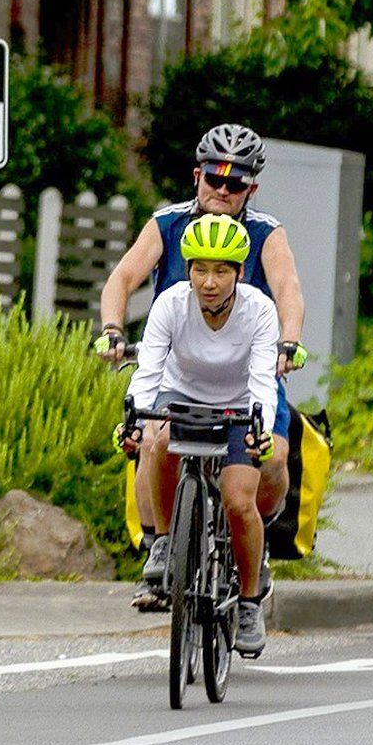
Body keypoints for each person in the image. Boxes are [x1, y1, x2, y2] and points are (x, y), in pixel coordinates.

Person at [97, 123, 306, 609]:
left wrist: (288, 341)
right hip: (181, 373)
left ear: (251, 188)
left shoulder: (265, 233)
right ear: (197, 176)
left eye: (236, 185)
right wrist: (112, 328)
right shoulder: (167, 223)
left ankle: (255, 539)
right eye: (215, 179)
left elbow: (289, 288)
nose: (223, 191)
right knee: (152, 439)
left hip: (248, 373)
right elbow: (123, 277)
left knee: (272, 457)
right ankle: (159, 549)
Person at [123, 214, 283, 657]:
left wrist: (260, 430)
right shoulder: (171, 304)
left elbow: (263, 383)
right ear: (187, 269)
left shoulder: (259, 311)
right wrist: (135, 417)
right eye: (199, 269)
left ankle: (249, 603)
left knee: (237, 500)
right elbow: (148, 370)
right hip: (181, 394)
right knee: (157, 442)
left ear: (240, 273)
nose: (209, 282)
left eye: (221, 270)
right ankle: (161, 544)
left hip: (236, 403)